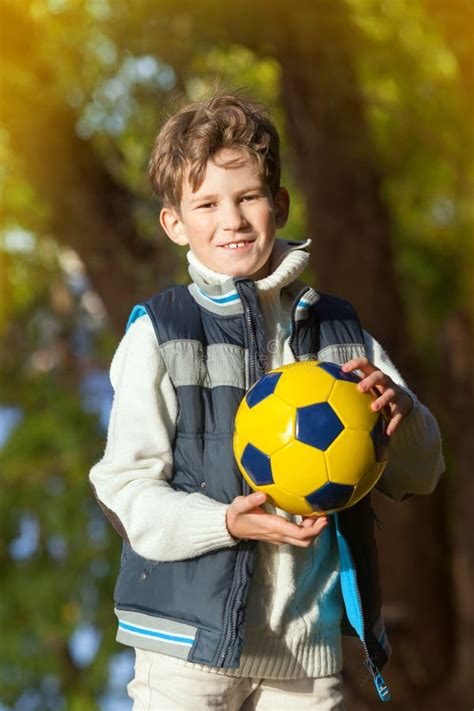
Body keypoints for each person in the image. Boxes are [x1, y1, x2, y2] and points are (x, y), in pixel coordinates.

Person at [89, 93, 444, 710]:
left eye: (248, 196)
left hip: (305, 651)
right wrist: (222, 521)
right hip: (185, 649)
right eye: (206, 204)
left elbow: (422, 471)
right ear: (176, 224)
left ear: (278, 204)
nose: (232, 219)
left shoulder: (340, 332)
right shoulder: (162, 331)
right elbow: (125, 488)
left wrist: (403, 413)